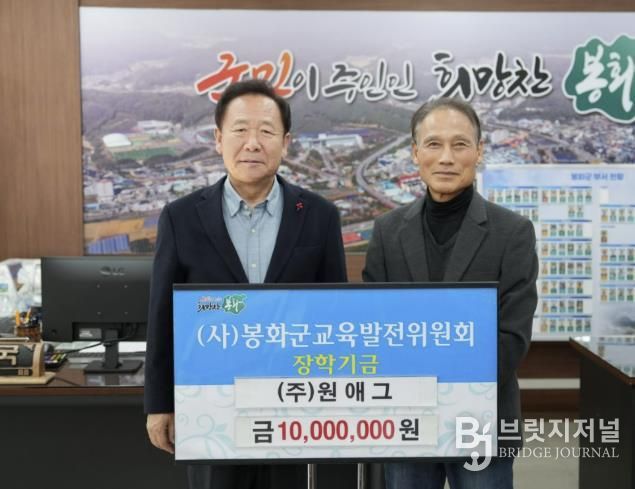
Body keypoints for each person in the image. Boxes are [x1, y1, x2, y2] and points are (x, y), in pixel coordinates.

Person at [145, 79, 350, 489]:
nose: (252, 143)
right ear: (218, 139)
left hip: (295, 404)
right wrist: (159, 403)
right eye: (240, 130)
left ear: (285, 143)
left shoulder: (319, 215)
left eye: (266, 131)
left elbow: (335, 315)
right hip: (211, 401)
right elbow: (162, 317)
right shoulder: (181, 218)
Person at [363, 98, 538, 489]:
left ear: (479, 151)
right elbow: (375, 327)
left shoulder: (512, 233)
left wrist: (449, 392)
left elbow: (512, 336)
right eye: (433, 144)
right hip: (407, 418)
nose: (446, 157)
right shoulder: (388, 231)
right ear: (415, 153)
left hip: (482, 419)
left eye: (460, 144)